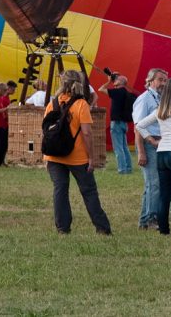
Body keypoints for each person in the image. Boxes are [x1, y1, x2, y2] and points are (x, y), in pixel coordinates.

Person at [44, 70, 111, 235]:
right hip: (78, 157)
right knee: (89, 191)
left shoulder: (53, 103)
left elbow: (46, 131)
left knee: (60, 190)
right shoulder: (81, 104)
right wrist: (92, 158)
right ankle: (102, 228)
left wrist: (45, 157)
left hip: (54, 156)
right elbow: (87, 133)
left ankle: (62, 228)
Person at [135, 77, 171, 237]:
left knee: (164, 193)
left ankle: (164, 229)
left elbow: (140, 125)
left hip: (162, 153)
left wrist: (151, 140)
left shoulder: (160, 110)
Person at [133, 68, 169, 229]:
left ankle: (144, 220)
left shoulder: (162, 99)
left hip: (160, 144)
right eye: (160, 79)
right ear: (150, 81)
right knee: (154, 183)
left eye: (165, 80)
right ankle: (151, 218)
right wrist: (141, 151)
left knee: (153, 184)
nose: (163, 83)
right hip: (149, 144)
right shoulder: (144, 99)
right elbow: (138, 127)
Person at [98, 73, 134, 174]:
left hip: (116, 123)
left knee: (118, 148)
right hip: (124, 123)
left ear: (120, 82)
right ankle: (128, 167)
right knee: (125, 147)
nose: (115, 80)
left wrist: (109, 81)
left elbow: (100, 89)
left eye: (117, 79)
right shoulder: (127, 93)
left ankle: (122, 169)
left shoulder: (117, 92)